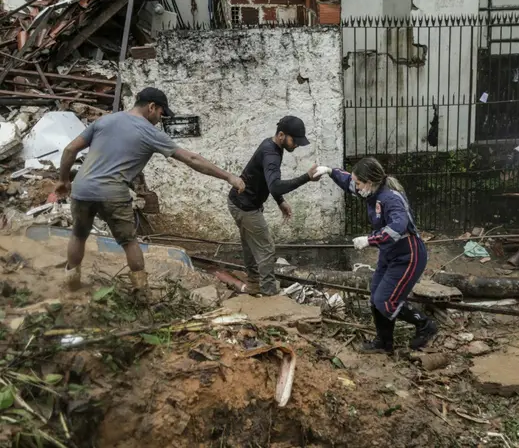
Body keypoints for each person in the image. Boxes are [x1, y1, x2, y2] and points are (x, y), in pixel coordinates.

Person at [55, 87, 245, 297]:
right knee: (129, 242)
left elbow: (70, 150)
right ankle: (141, 292)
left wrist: (64, 180)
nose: (160, 119)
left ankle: (71, 284)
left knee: (78, 235)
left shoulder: (104, 121)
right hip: (112, 192)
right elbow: (191, 159)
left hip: (82, 188)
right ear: (151, 107)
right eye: (161, 113)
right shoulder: (149, 132)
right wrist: (228, 176)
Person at [314, 157, 438, 353]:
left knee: (386, 300)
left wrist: (369, 240)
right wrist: (329, 171)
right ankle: (384, 342)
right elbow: (347, 181)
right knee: (375, 296)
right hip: (389, 253)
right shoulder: (369, 191)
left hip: (408, 255)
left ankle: (425, 325)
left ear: (370, 182)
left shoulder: (391, 198)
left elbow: (399, 226)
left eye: (359, 182)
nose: (355, 186)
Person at [228, 115, 320, 296]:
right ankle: (270, 294)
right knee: (266, 248)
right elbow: (275, 185)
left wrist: (280, 201)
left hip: (238, 201)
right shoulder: (271, 154)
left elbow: (269, 181)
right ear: (281, 135)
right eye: (295, 140)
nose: (297, 145)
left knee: (250, 245)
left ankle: (254, 284)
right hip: (245, 206)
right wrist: (306, 178)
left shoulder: (272, 146)